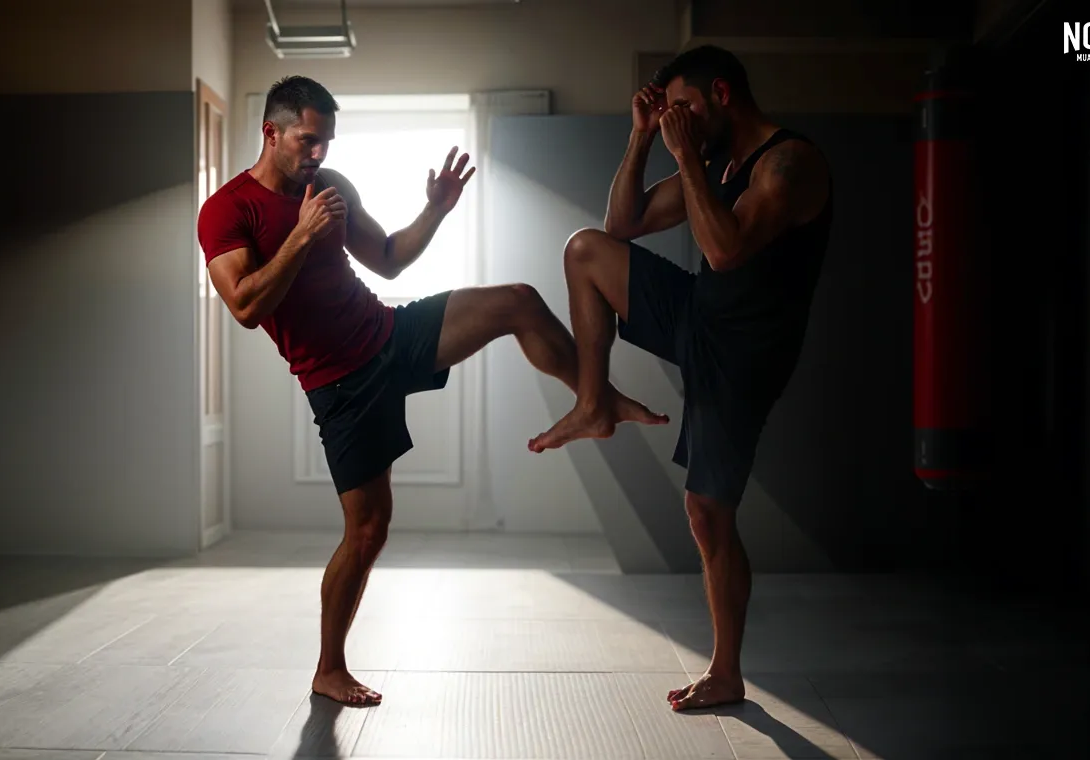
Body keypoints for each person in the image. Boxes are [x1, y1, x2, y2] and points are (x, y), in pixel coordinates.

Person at [196, 76, 666, 706]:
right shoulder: (226, 210)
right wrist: (303, 235)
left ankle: (594, 402)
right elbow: (246, 306)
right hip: (339, 382)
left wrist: (436, 209)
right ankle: (328, 668)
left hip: (389, 332)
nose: (319, 154)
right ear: (271, 132)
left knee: (518, 303)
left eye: (327, 142)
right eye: (308, 141)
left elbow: (388, 259)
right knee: (367, 531)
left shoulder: (330, 187)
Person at [529, 46, 834, 710]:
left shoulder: (789, 164)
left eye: (686, 110)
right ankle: (593, 402)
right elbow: (622, 223)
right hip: (699, 314)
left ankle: (726, 671)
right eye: (670, 116)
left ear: (722, 93)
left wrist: (687, 156)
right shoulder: (717, 161)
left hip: (746, 354)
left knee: (705, 511)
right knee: (586, 249)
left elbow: (725, 250)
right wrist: (641, 139)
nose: (680, 124)